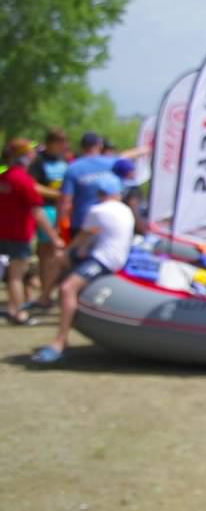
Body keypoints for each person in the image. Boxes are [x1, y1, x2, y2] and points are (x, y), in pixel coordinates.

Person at [32, 173, 134, 363]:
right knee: (60, 261)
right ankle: (44, 298)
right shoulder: (125, 209)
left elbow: (82, 237)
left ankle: (60, 341)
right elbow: (95, 235)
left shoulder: (98, 210)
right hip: (112, 256)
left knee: (67, 288)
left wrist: (68, 251)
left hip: (105, 260)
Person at [1, 139, 64, 325]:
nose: (34, 155)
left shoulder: (4, 176)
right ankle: (19, 314)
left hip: (3, 232)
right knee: (16, 276)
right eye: (31, 152)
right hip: (19, 235)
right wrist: (54, 237)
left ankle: (12, 308)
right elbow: (37, 212)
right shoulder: (23, 180)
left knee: (12, 275)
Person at [25, 127, 72, 311]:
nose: (64, 145)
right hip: (46, 208)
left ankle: (48, 290)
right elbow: (32, 185)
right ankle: (44, 291)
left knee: (58, 251)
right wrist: (57, 194)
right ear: (52, 142)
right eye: (61, 142)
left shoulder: (64, 160)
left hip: (63, 209)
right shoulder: (39, 161)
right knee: (47, 251)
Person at [111, 157, 147, 235]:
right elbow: (134, 208)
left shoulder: (113, 186)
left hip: (117, 224)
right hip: (133, 228)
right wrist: (141, 229)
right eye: (132, 170)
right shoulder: (132, 188)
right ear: (128, 172)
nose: (135, 172)